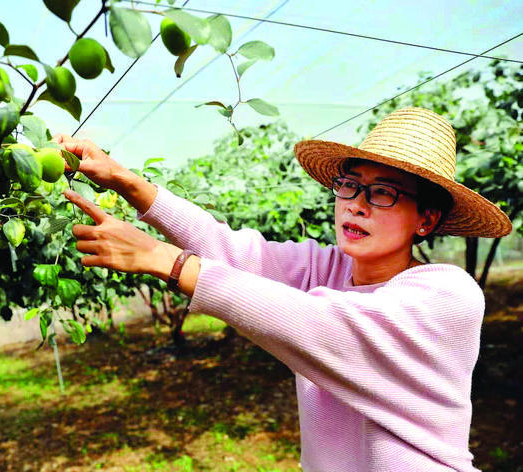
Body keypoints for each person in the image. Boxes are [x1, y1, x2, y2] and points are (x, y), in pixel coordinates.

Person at [55, 107, 512, 471]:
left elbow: (321, 326)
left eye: (384, 193)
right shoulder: (330, 267)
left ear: (427, 220)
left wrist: (163, 260)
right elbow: (233, 251)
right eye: (350, 185)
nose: (357, 205)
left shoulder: (448, 296)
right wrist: (129, 182)